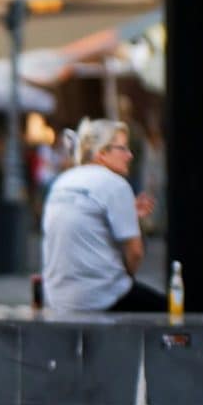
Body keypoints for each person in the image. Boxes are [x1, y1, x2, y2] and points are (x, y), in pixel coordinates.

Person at [41, 117, 165, 312]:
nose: (130, 155)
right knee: (173, 316)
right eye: (123, 148)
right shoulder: (115, 184)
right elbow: (135, 253)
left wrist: (128, 213)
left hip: (58, 299)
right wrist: (127, 279)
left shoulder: (62, 182)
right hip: (100, 297)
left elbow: (84, 224)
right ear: (101, 153)